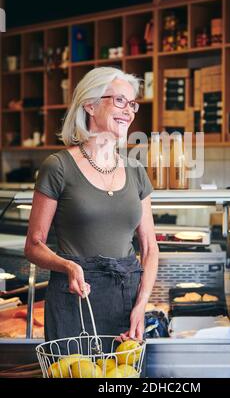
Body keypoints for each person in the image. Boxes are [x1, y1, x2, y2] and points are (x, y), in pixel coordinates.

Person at [24, 67, 159, 347]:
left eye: (132, 104)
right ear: (90, 104)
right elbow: (33, 245)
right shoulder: (58, 166)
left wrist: (141, 305)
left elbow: (150, 248)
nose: (129, 111)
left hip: (126, 303)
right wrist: (68, 266)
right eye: (120, 100)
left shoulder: (135, 171)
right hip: (74, 298)